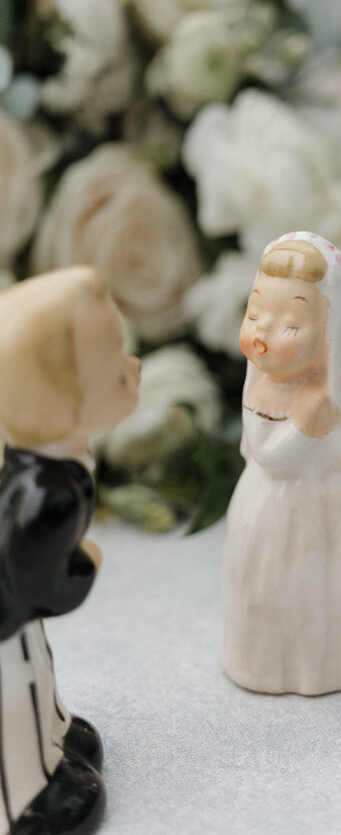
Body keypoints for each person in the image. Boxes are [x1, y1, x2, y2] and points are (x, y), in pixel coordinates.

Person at [0, 267, 140, 835]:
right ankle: (26, 796)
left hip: (16, 621)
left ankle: (54, 739)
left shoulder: (51, 468)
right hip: (4, 629)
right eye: (114, 370)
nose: (132, 370)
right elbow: (37, 582)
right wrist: (84, 566)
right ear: (58, 398)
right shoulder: (46, 495)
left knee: (41, 677)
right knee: (17, 693)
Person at [222, 233, 341, 695]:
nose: (261, 333)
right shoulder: (264, 393)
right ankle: (266, 662)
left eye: (290, 326)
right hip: (270, 513)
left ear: (333, 335)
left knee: (322, 591)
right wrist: (305, 426)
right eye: (254, 314)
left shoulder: (336, 400)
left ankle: (334, 660)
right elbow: (269, 455)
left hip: (328, 517)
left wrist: (320, 423)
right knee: (272, 589)